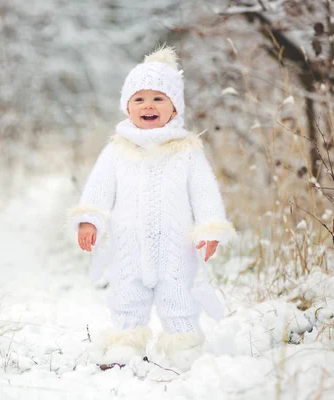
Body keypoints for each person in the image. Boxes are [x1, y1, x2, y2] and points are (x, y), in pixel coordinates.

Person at [68, 45, 236, 370]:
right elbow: (99, 189)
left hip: (176, 248)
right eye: (139, 99)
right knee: (127, 298)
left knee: (178, 299)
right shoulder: (117, 149)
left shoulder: (186, 150)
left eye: (159, 98)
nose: (148, 105)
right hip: (128, 246)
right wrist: (89, 220)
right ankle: (124, 346)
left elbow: (204, 191)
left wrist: (210, 227)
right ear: (127, 107)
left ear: (174, 107)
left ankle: (183, 348)